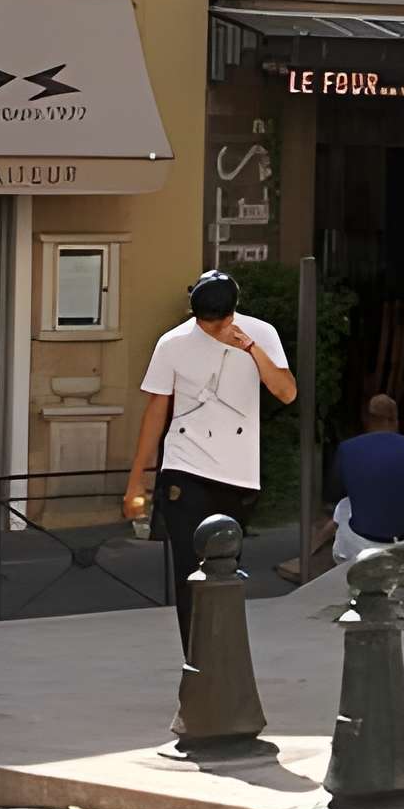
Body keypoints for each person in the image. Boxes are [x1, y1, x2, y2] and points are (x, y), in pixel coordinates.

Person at [125, 271, 295, 649]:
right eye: (204, 321)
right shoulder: (172, 343)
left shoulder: (261, 333)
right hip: (184, 467)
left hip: (238, 473)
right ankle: (196, 661)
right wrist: (137, 478)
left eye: (218, 321)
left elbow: (286, 392)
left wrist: (251, 348)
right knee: (189, 571)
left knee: (224, 569)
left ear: (233, 313)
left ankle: (223, 657)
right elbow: (156, 408)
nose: (211, 328)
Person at [312, 392, 404, 572]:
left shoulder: (347, 449)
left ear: (368, 420)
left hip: (360, 542)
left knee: (343, 506)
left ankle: (323, 559)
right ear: (395, 420)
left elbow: (332, 494)